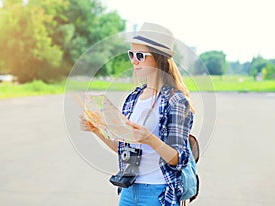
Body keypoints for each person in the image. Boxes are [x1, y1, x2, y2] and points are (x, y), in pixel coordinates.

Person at [80, 22, 196, 206]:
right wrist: (97, 130)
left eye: (140, 55)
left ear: (158, 58)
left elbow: (179, 159)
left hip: (158, 192)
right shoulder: (133, 98)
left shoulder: (176, 100)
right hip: (129, 190)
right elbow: (125, 150)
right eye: (131, 54)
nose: (134, 60)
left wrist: (149, 139)